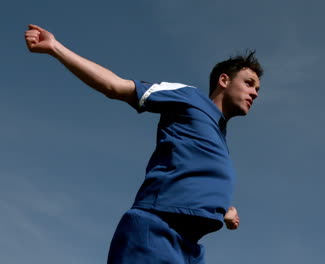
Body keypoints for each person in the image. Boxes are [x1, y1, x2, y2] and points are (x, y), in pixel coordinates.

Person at [24, 24, 263, 264]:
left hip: (190, 247)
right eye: (249, 83)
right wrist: (55, 47)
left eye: (257, 89)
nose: (255, 93)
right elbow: (116, 86)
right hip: (156, 230)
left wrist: (225, 210)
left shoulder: (219, 137)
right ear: (224, 80)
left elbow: (195, 175)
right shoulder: (188, 96)